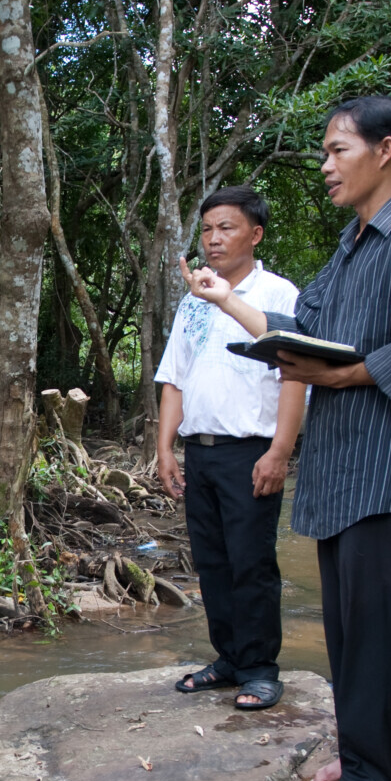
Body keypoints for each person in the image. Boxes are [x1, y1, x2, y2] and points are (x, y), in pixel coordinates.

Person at [181, 96, 391, 781]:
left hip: (388, 465)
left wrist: (343, 376)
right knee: (347, 626)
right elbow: (301, 328)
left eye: (339, 150)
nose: (326, 165)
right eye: (325, 152)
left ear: (386, 150)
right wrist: (224, 302)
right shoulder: (352, 243)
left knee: (377, 627)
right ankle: (364, 751)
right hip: (341, 468)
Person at [157, 186, 306, 711]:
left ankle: (262, 669)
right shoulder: (193, 300)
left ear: (255, 234)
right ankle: (229, 659)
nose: (214, 239)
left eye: (227, 228)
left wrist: (280, 451)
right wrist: (166, 447)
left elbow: (296, 376)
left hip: (252, 450)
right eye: (207, 229)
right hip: (200, 451)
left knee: (252, 562)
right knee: (212, 562)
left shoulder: (279, 296)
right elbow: (175, 378)